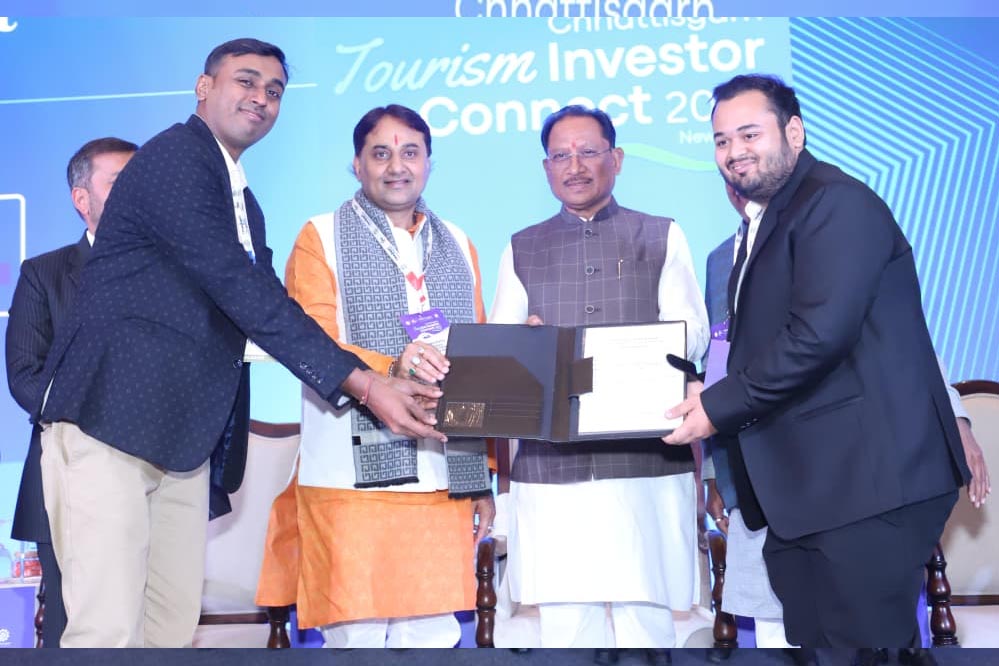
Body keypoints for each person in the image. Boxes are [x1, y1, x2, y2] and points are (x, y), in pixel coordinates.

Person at [34, 39, 444, 648]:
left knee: (170, 630)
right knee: (107, 631)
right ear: (204, 87)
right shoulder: (174, 159)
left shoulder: (240, 196)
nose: (261, 98)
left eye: (274, 91)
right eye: (246, 82)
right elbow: (238, 286)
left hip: (181, 440)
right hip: (109, 421)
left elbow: (265, 300)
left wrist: (369, 378)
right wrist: (364, 383)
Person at [664, 74, 970, 648]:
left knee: (865, 648)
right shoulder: (769, 221)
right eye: (722, 140)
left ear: (795, 132)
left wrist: (715, 407)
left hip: (869, 486)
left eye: (749, 134)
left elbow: (817, 336)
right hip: (814, 493)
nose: (734, 152)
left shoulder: (835, 203)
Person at [255, 104, 494, 648]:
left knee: (432, 635)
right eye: (380, 153)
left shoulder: (458, 242)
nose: (396, 166)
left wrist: (481, 477)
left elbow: (477, 363)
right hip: (348, 478)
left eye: (410, 152)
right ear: (357, 165)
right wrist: (389, 367)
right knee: (355, 635)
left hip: (442, 475)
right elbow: (309, 339)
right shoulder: (321, 235)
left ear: (429, 162)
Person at [490, 105, 710, 657]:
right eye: (561, 155)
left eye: (589, 152)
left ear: (617, 159)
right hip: (553, 467)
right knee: (567, 629)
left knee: (648, 624)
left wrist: (638, 356)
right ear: (546, 168)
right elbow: (500, 348)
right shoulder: (521, 246)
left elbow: (692, 332)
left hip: (645, 460)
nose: (576, 166)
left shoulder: (660, 234)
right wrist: (527, 346)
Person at [6, 136, 137, 647]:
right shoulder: (45, 273)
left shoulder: (176, 269)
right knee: (72, 624)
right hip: (70, 468)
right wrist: (98, 419)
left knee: (156, 622)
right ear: (82, 199)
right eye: (120, 182)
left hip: (163, 472)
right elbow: (25, 375)